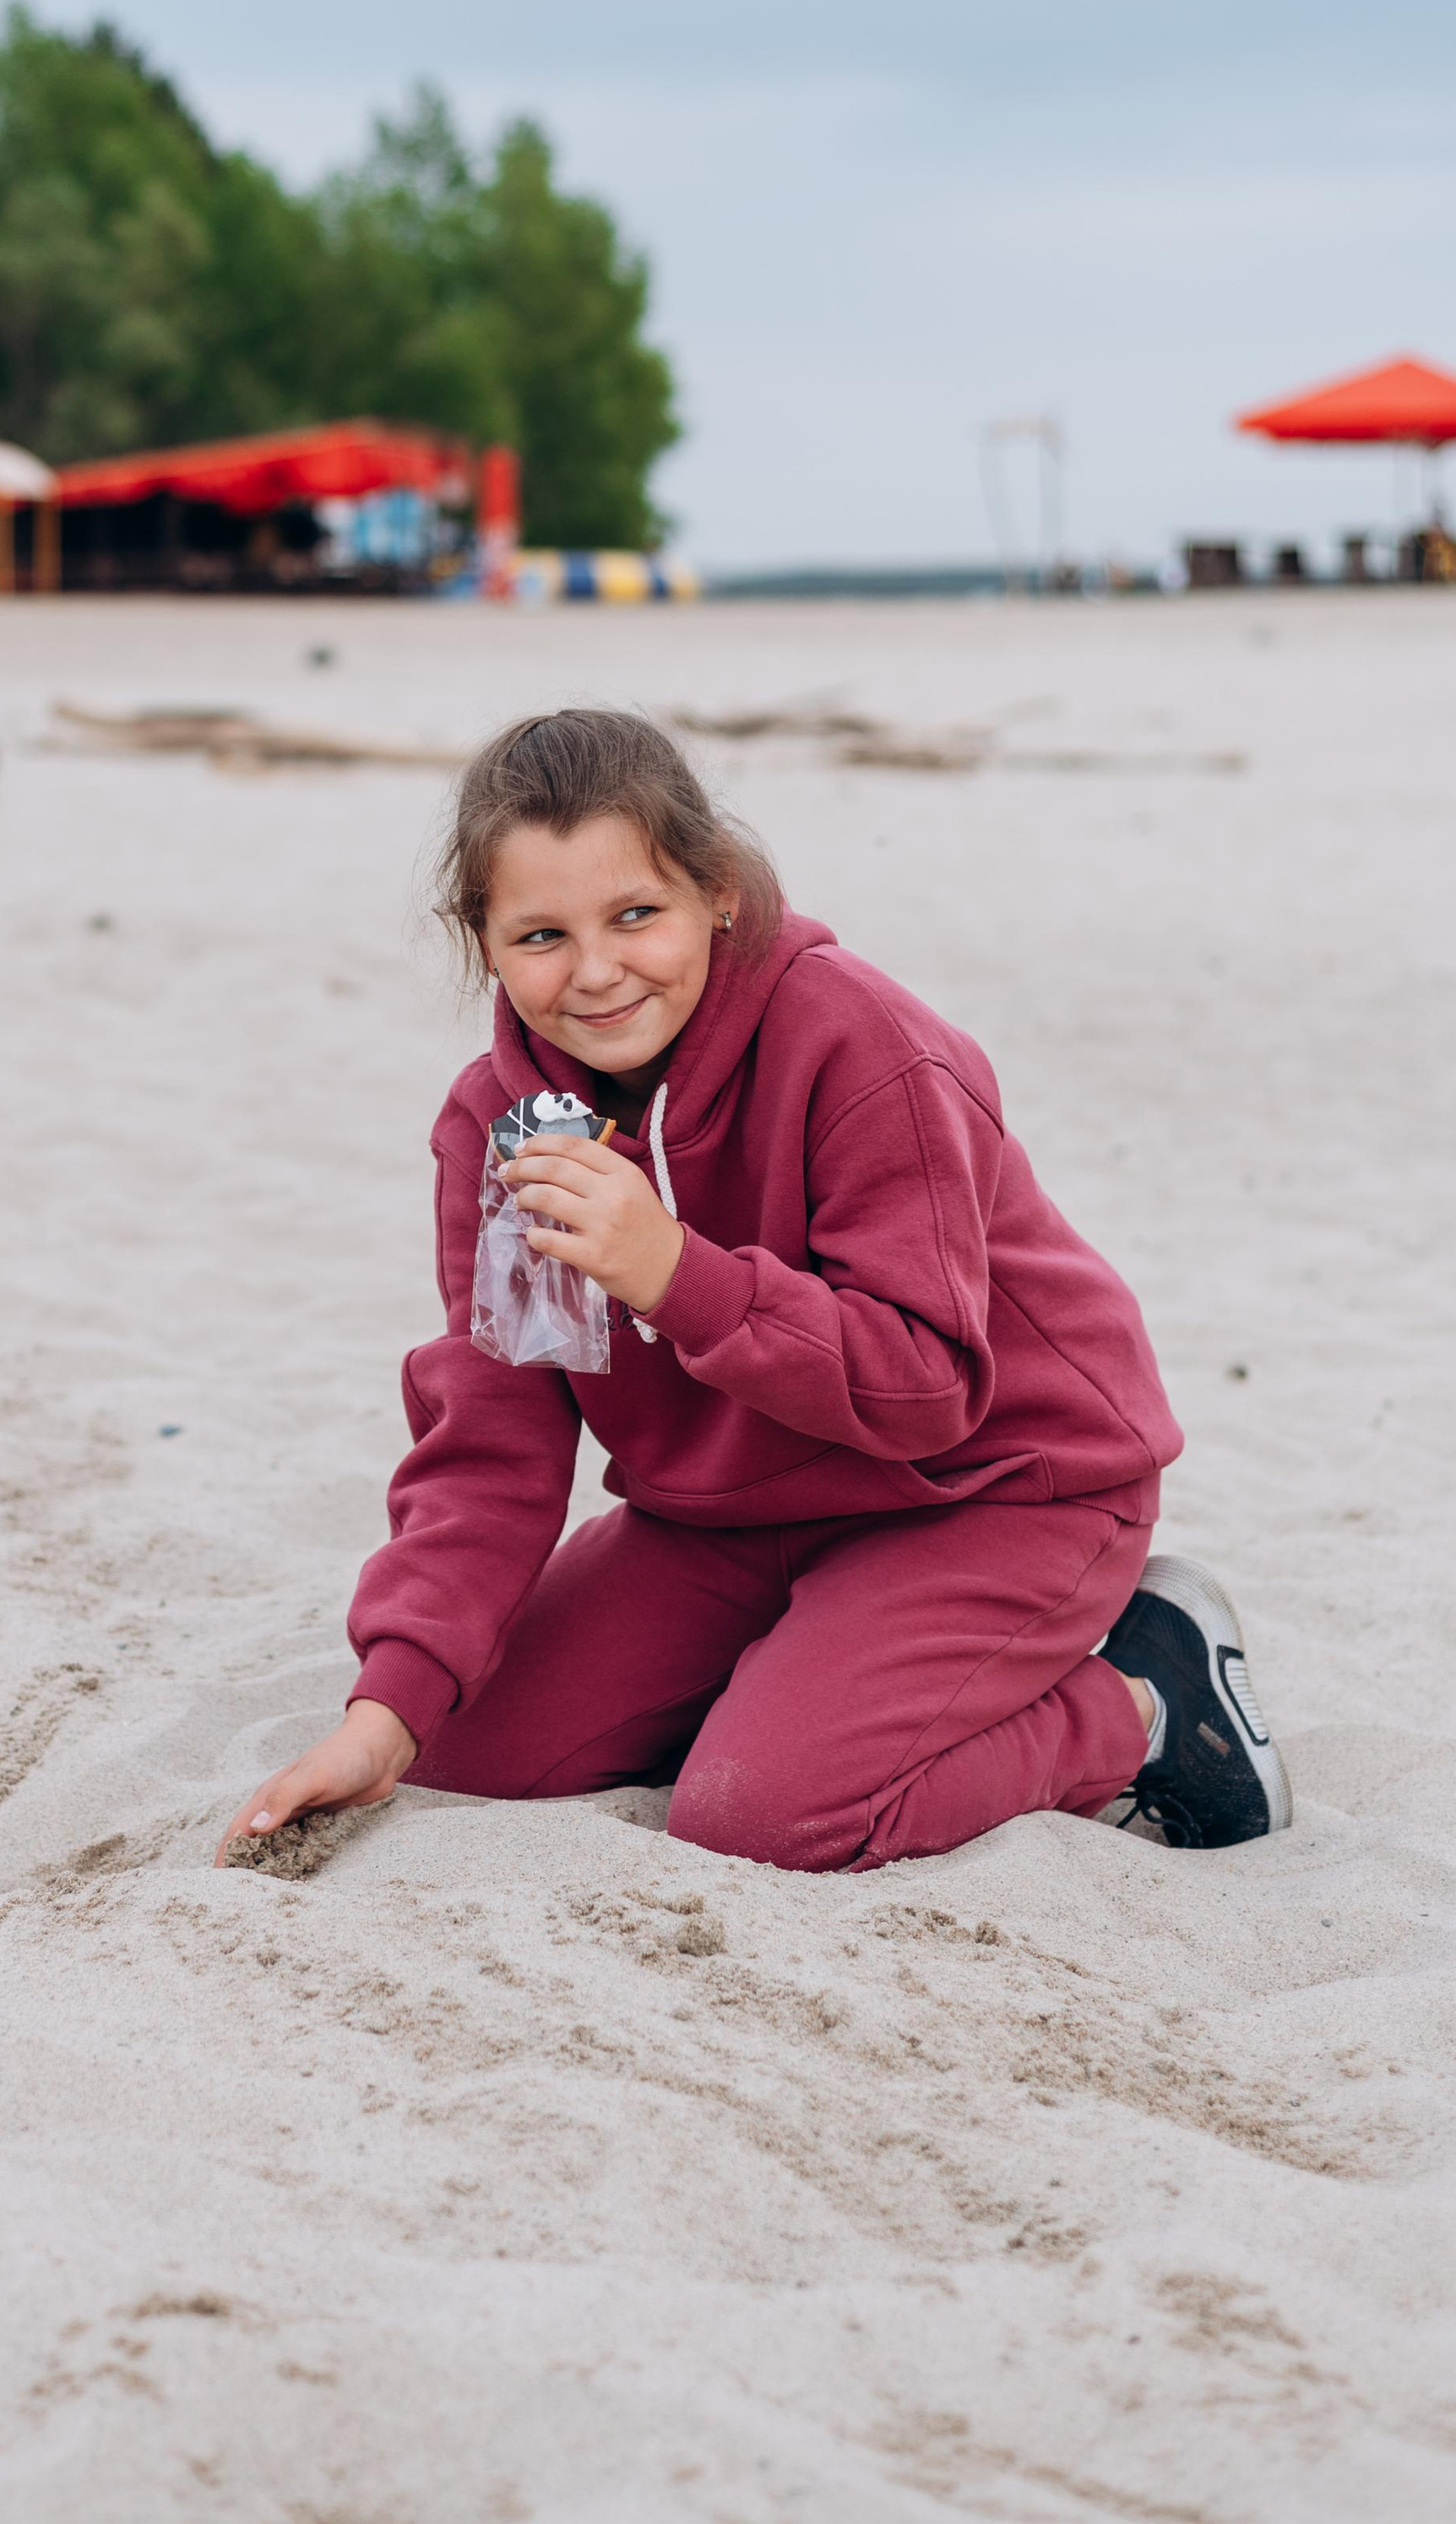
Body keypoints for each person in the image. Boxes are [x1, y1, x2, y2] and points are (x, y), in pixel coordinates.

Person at [221, 708, 1290, 1874]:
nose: (595, 971)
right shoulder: (515, 1127)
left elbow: (928, 1388)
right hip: (734, 1515)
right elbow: (496, 1443)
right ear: (482, 939)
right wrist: (385, 1712)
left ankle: (1142, 1706)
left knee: (760, 1818)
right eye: (540, 935)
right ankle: (810, 1689)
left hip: (996, 1489)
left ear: (717, 890)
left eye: (637, 915)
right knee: (459, 1745)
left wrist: (675, 1275)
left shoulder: (860, 1046)